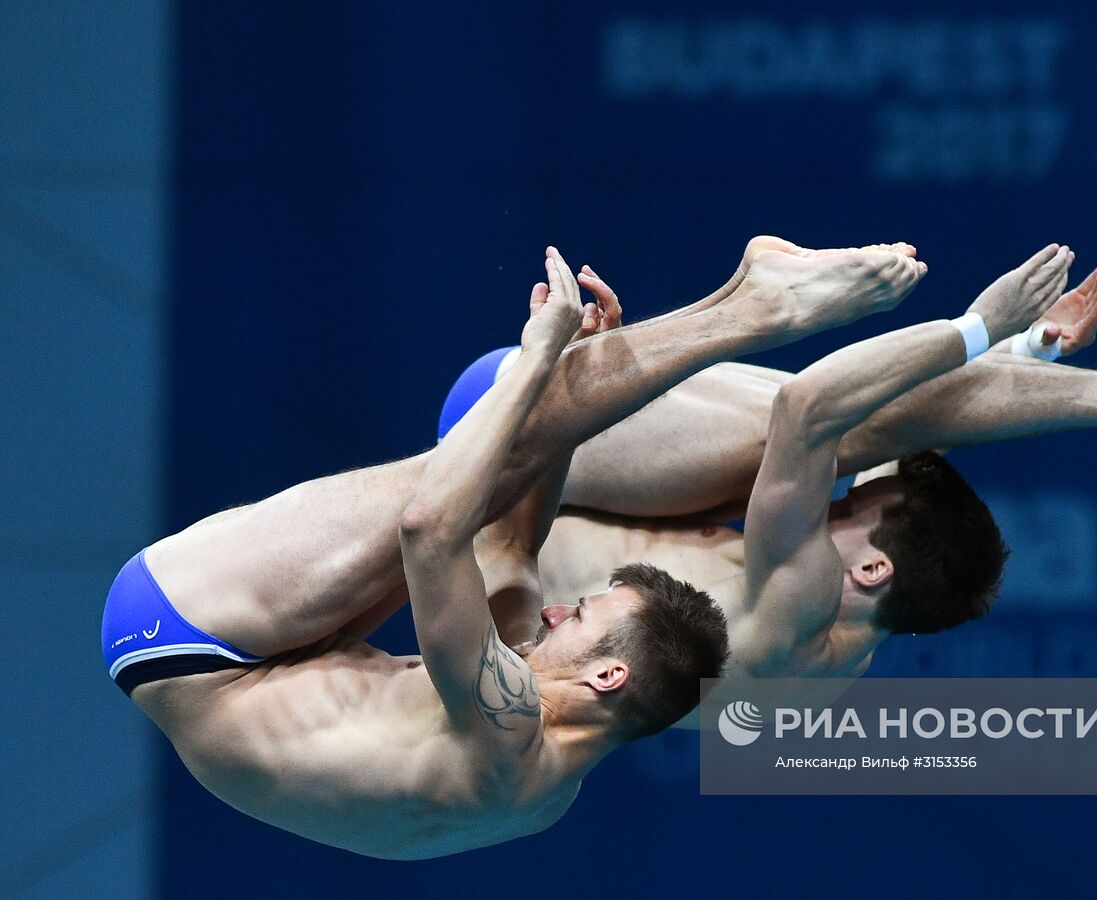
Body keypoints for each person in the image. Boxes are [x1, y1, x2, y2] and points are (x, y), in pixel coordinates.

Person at [101, 243, 927, 857]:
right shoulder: (542, 787)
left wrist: (536, 364)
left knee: (491, 446)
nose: (567, 605)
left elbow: (431, 531)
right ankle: (726, 309)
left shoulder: (508, 727)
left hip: (186, 625)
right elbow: (507, 547)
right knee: (527, 456)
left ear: (610, 673)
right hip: (252, 668)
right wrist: (577, 388)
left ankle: (757, 308)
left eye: (587, 613)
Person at [444, 239, 1097, 705]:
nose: (849, 490)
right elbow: (882, 443)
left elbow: (813, 412)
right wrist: (1028, 357)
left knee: (825, 426)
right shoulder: (847, 645)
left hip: (492, 444)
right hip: (545, 468)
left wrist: (979, 329)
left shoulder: (794, 611)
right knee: (834, 441)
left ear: (871, 568)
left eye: (859, 507)